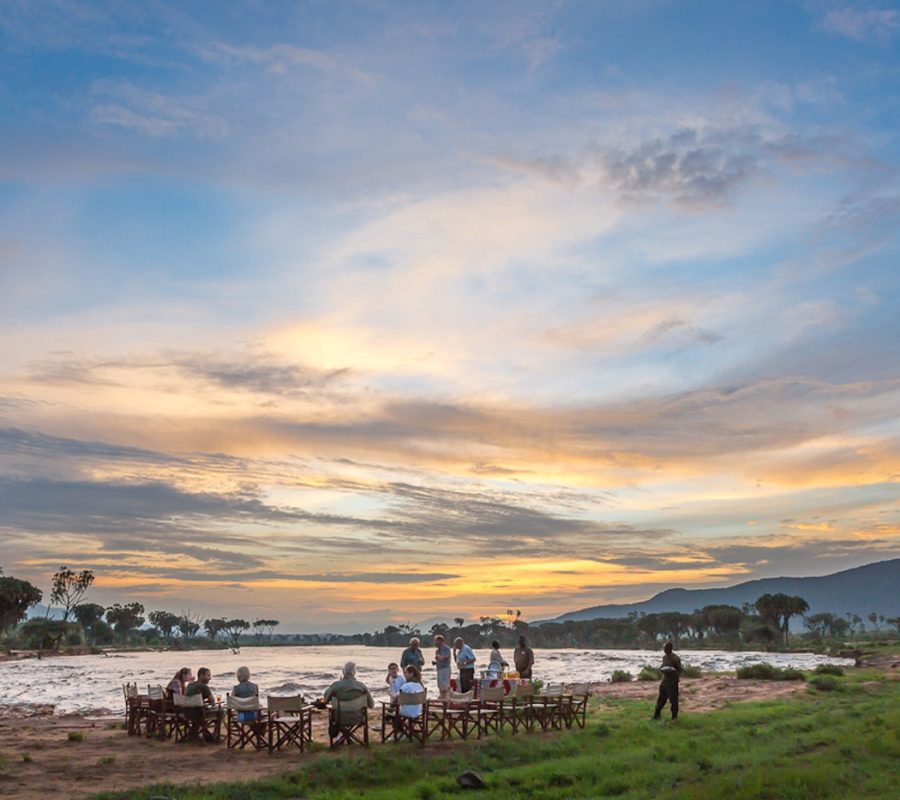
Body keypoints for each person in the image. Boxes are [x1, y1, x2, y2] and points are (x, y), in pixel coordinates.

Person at [185, 666, 220, 742]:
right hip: (199, 714)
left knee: (201, 709)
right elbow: (212, 701)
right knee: (221, 712)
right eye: (208, 675)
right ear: (201, 675)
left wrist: (204, 702)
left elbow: (189, 699)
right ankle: (214, 734)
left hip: (187, 713)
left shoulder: (189, 685)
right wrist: (208, 702)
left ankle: (194, 733)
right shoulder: (204, 687)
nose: (210, 678)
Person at [653, 642, 683, 720]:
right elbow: (662, 666)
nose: (664, 650)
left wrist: (673, 673)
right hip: (664, 682)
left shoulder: (675, 658)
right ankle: (656, 715)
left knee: (673, 701)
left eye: (666, 649)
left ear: (670, 649)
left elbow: (680, 670)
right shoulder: (664, 657)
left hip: (672, 682)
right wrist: (662, 670)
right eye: (664, 649)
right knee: (661, 700)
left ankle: (674, 717)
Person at [433, 634, 452, 699]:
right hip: (439, 669)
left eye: (435, 641)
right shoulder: (438, 650)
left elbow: (443, 658)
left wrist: (438, 657)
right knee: (440, 685)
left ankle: (447, 699)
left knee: (445, 685)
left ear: (440, 641)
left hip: (445, 669)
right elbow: (439, 660)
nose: (434, 643)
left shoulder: (446, 648)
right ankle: (442, 698)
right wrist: (436, 662)